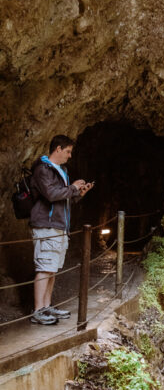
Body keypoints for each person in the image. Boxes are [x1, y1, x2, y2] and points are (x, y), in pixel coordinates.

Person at [29, 135, 93, 325]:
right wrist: (72, 187)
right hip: (46, 225)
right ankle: (38, 310)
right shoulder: (43, 169)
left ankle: (47, 306)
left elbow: (63, 199)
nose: (70, 155)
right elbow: (51, 195)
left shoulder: (60, 170)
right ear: (58, 149)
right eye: (68, 151)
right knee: (44, 268)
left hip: (58, 226)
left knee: (52, 269)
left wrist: (78, 194)